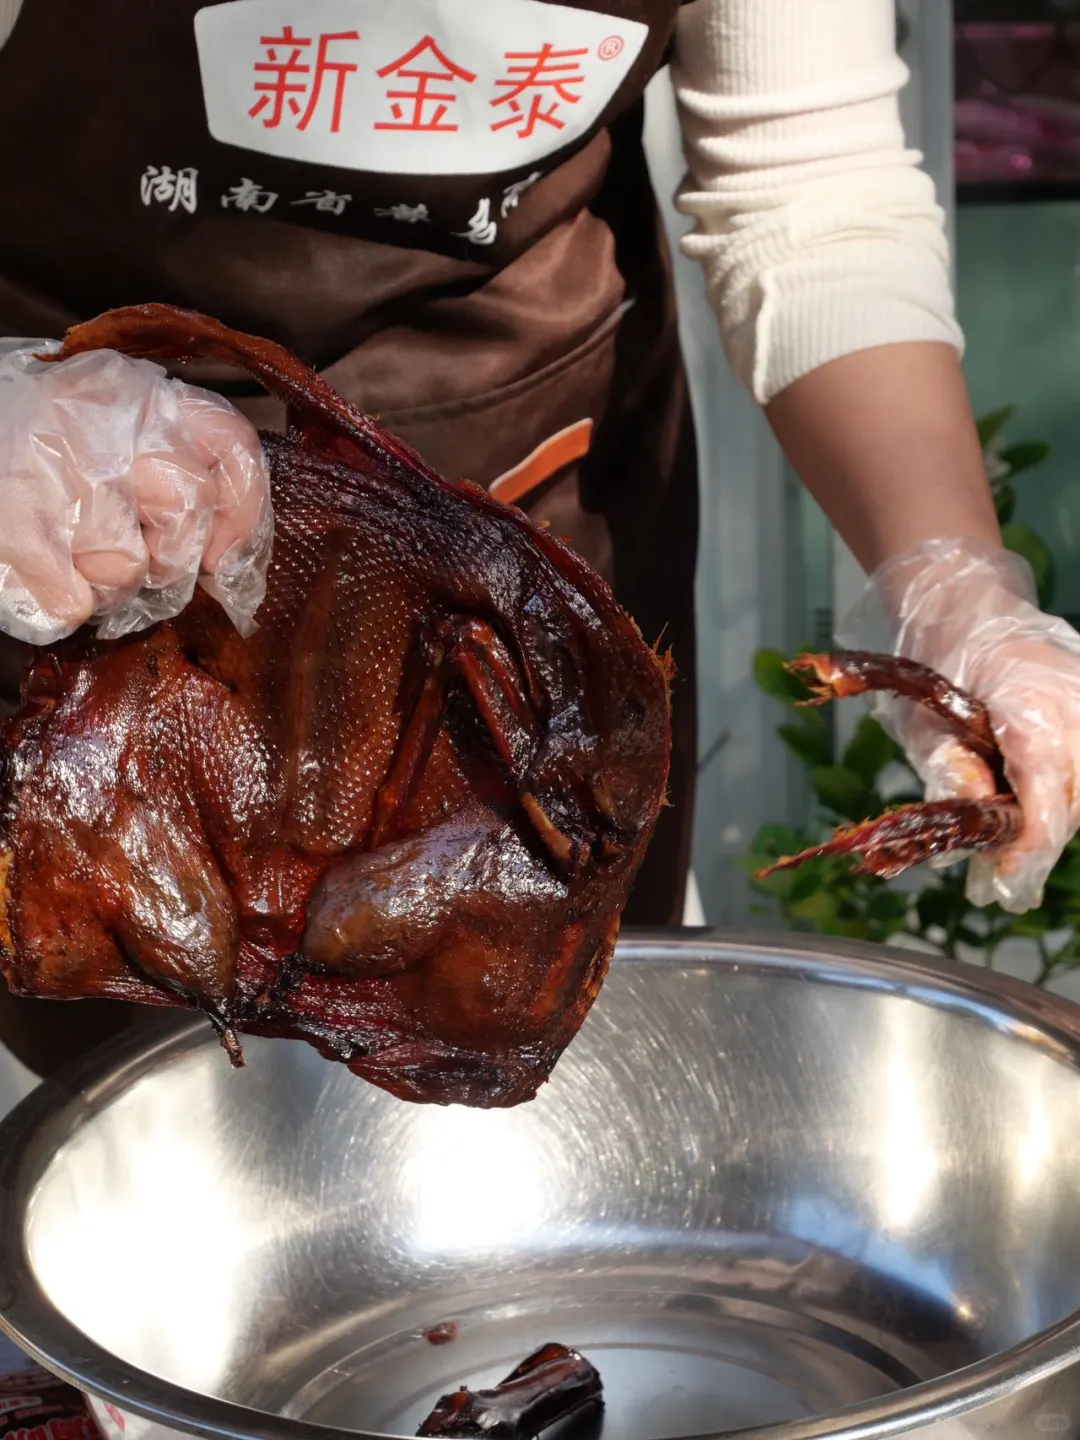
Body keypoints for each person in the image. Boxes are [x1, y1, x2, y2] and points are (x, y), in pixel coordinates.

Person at [1, 0, 1079, 1078]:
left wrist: (952, 580)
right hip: (83, 509)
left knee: (529, 1043)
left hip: (528, 517)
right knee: (124, 1081)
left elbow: (808, 184)